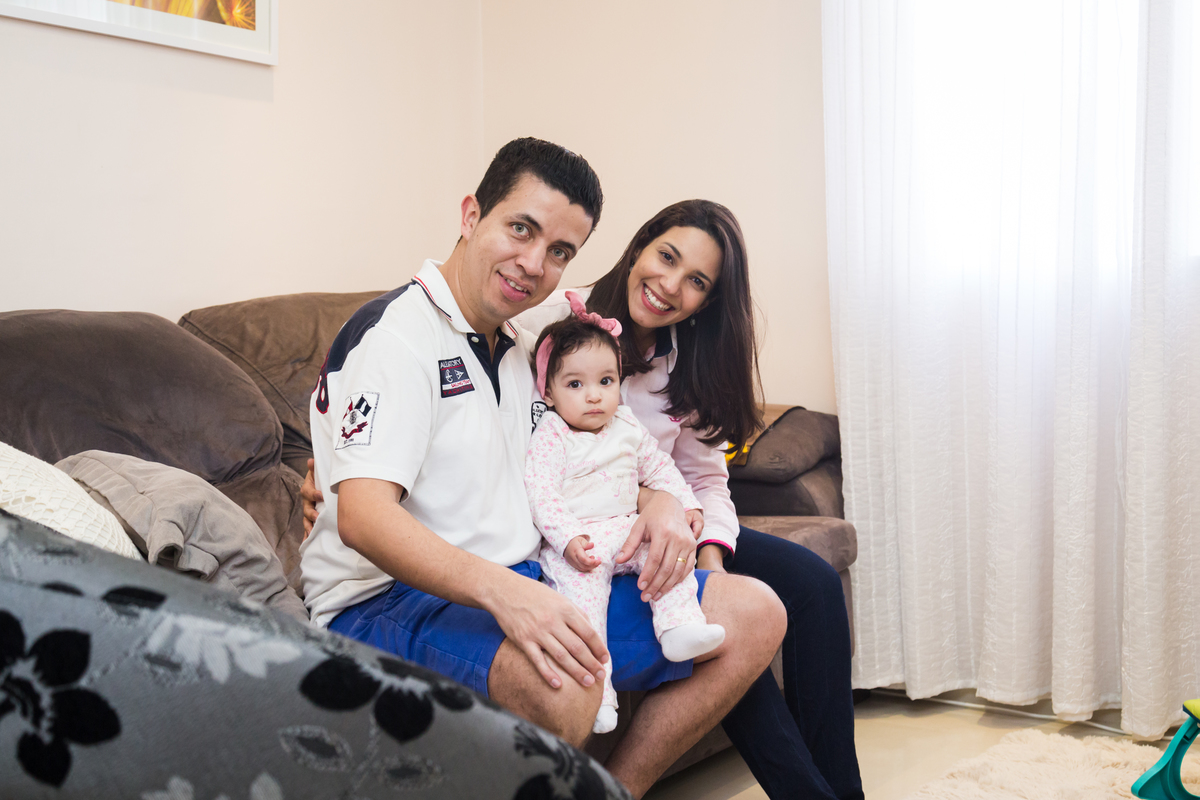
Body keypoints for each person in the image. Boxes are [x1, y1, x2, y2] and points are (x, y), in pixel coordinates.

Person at [297, 138, 785, 798]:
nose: (534, 265)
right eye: (520, 229)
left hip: (535, 571)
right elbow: (362, 516)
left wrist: (662, 502)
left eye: (560, 252)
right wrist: (507, 593)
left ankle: (615, 792)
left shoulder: (530, 346)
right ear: (472, 214)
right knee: (568, 681)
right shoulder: (395, 336)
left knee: (755, 612)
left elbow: (603, 452)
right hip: (386, 599)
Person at [521, 199, 865, 800]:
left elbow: (706, 480)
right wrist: (650, 500)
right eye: (666, 256)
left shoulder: (689, 360)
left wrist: (709, 562)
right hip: (591, 534)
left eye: (697, 281)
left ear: (707, 301)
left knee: (812, 584)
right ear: (640, 246)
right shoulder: (551, 328)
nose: (670, 285)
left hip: (673, 522)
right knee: (729, 628)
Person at [526, 293, 726, 735]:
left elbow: (661, 469)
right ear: (549, 392)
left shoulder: (627, 425)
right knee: (584, 609)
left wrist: (688, 505)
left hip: (628, 530)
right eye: (575, 385)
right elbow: (541, 494)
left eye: (606, 381)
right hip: (581, 543)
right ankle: (598, 694)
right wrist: (567, 538)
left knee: (668, 556)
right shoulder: (552, 434)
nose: (594, 396)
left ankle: (679, 626)